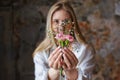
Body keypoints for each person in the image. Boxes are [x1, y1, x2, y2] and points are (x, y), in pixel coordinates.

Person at [33, 0, 95, 80]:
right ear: (50, 25)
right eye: (56, 21)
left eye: (66, 21)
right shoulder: (41, 52)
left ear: (73, 25)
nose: (61, 27)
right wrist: (53, 72)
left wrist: (72, 72)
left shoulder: (85, 50)